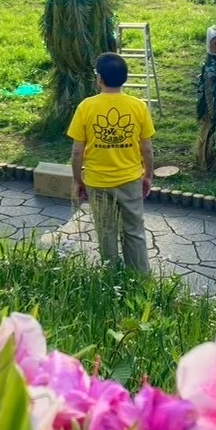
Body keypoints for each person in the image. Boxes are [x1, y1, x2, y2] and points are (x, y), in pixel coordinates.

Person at [68, 53, 155, 274]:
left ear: (99, 79)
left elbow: (77, 151)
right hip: (130, 179)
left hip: (98, 182)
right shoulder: (138, 106)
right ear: (124, 78)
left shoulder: (86, 107)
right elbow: (146, 148)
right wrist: (148, 175)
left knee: (106, 233)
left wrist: (78, 180)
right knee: (134, 231)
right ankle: (140, 280)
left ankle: (112, 278)